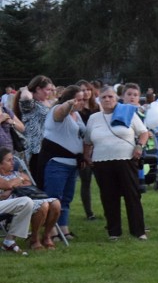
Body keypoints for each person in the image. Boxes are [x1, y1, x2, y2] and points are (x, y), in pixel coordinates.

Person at [83, 86, 150, 240]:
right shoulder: (94, 118)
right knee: (108, 196)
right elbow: (87, 141)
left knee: (132, 195)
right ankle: (114, 231)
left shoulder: (128, 113)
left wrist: (139, 146)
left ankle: (138, 230)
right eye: (104, 97)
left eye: (110, 97)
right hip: (101, 162)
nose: (107, 100)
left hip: (126, 159)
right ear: (99, 100)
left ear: (116, 99)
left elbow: (144, 132)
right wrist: (87, 156)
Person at [39, 85, 87, 241]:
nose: (81, 103)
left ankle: (63, 227)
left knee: (66, 199)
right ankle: (51, 230)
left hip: (72, 164)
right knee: (54, 198)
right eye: (78, 100)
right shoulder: (58, 111)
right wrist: (69, 104)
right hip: (57, 163)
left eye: (83, 100)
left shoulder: (77, 116)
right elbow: (61, 113)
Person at [0, 147, 58, 251]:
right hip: (7, 204)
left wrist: (14, 185)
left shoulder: (16, 173)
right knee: (38, 204)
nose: (13, 163)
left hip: (21, 199)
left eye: (13, 159)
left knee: (55, 203)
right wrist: (20, 180)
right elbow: (8, 185)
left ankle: (46, 236)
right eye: (9, 160)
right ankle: (34, 239)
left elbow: (28, 184)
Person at [15, 75, 55, 181]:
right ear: (38, 89)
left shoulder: (46, 103)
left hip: (45, 148)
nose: (50, 92)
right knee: (37, 181)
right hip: (34, 149)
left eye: (51, 90)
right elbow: (26, 97)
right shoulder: (30, 105)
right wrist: (26, 88)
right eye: (47, 90)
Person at [76, 80, 99, 221]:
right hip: (82, 148)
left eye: (87, 90)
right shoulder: (77, 110)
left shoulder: (97, 108)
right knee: (86, 181)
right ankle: (89, 212)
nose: (85, 93)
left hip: (98, 148)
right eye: (82, 90)